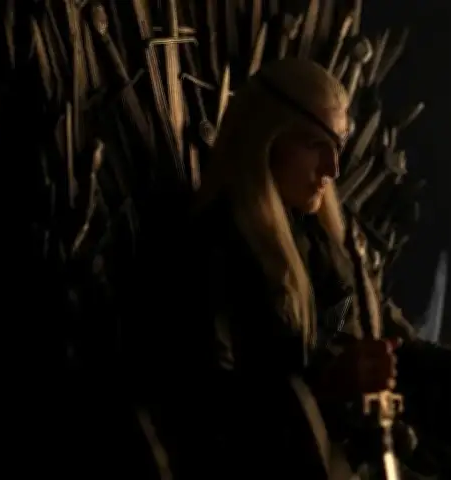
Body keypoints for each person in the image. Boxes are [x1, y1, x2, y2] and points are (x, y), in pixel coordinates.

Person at [129, 58, 398, 480]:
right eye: (314, 144)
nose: (332, 169)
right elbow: (210, 417)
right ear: (266, 140)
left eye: (338, 144)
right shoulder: (210, 251)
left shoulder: (320, 242)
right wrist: (328, 387)